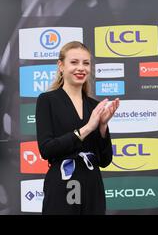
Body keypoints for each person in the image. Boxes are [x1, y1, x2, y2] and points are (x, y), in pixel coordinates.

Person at [36, 41, 119, 215]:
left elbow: (104, 161)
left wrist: (103, 127)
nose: (81, 68)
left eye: (86, 63)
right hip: (62, 184)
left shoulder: (94, 106)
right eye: (74, 62)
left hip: (92, 186)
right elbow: (46, 149)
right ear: (61, 65)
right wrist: (87, 128)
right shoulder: (47, 100)